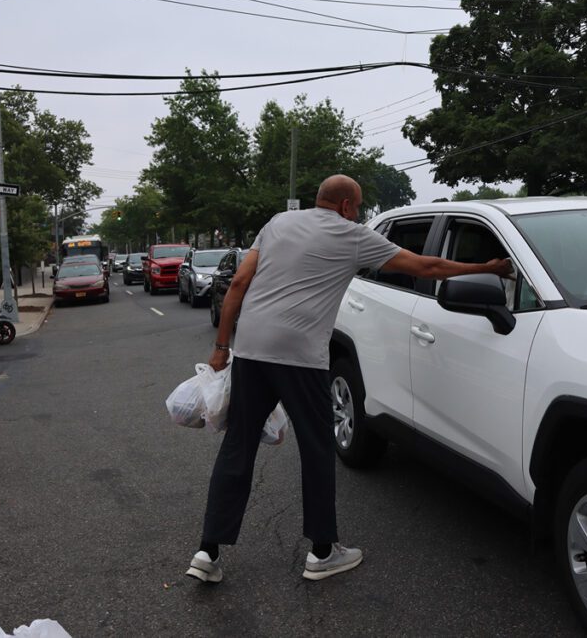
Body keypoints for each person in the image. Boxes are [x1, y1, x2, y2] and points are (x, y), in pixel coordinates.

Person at [187, 174, 512, 584]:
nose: (357, 214)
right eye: (356, 207)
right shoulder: (352, 235)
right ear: (345, 206)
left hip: (251, 348)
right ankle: (322, 552)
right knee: (317, 449)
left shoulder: (277, 223)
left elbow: (238, 283)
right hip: (301, 356)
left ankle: (207, 551)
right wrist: (487, 267)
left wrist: (221, 347)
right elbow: (426, 266)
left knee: (238, 446)